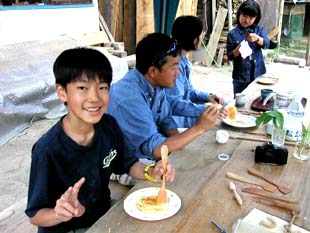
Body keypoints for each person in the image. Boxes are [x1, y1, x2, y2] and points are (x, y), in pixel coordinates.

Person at [25, 47, 174, 233]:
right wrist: (59, 213)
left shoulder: (108, 126)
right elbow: (35, 214)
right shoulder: (47, 150)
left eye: (102, 87)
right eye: (82, 88)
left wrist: (151, 171)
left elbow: (129, 164)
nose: (94, 98)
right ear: (62, 92)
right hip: (65, 227)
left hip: (102, 214)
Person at [107, 33, 220, 163]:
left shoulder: (155, 84)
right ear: (153, 71)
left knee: (198, 153)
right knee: (183, 176)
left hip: (150, 145)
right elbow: (154, 148)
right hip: (124, 161)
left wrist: (180, 141)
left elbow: (164, 118)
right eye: (174, 67)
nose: (178, 73)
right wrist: (198, 128)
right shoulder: (129, 97)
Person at [166, 15, 227, 128]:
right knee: (217, 121)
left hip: (180, 111)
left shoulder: (183, 60)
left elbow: (189, 92)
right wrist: (206, 109)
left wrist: (208, 97)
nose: (202, 37)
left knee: (224, 106)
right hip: (173, 120)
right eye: (201, 34)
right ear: (194, 38)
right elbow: (176, 105)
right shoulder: (175, 65)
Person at [227, 0, 270, 96]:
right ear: (239, 14)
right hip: (240, 77)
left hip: (258, 74)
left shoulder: (259, 30)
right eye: (244, 16)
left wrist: (258, 38)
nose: (246, 20)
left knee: (256, 100)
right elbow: (230, 56)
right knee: (240, 103)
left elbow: (267, 44)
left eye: (251, 18)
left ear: (256, 18)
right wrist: (238, 50)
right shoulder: (232, 34)